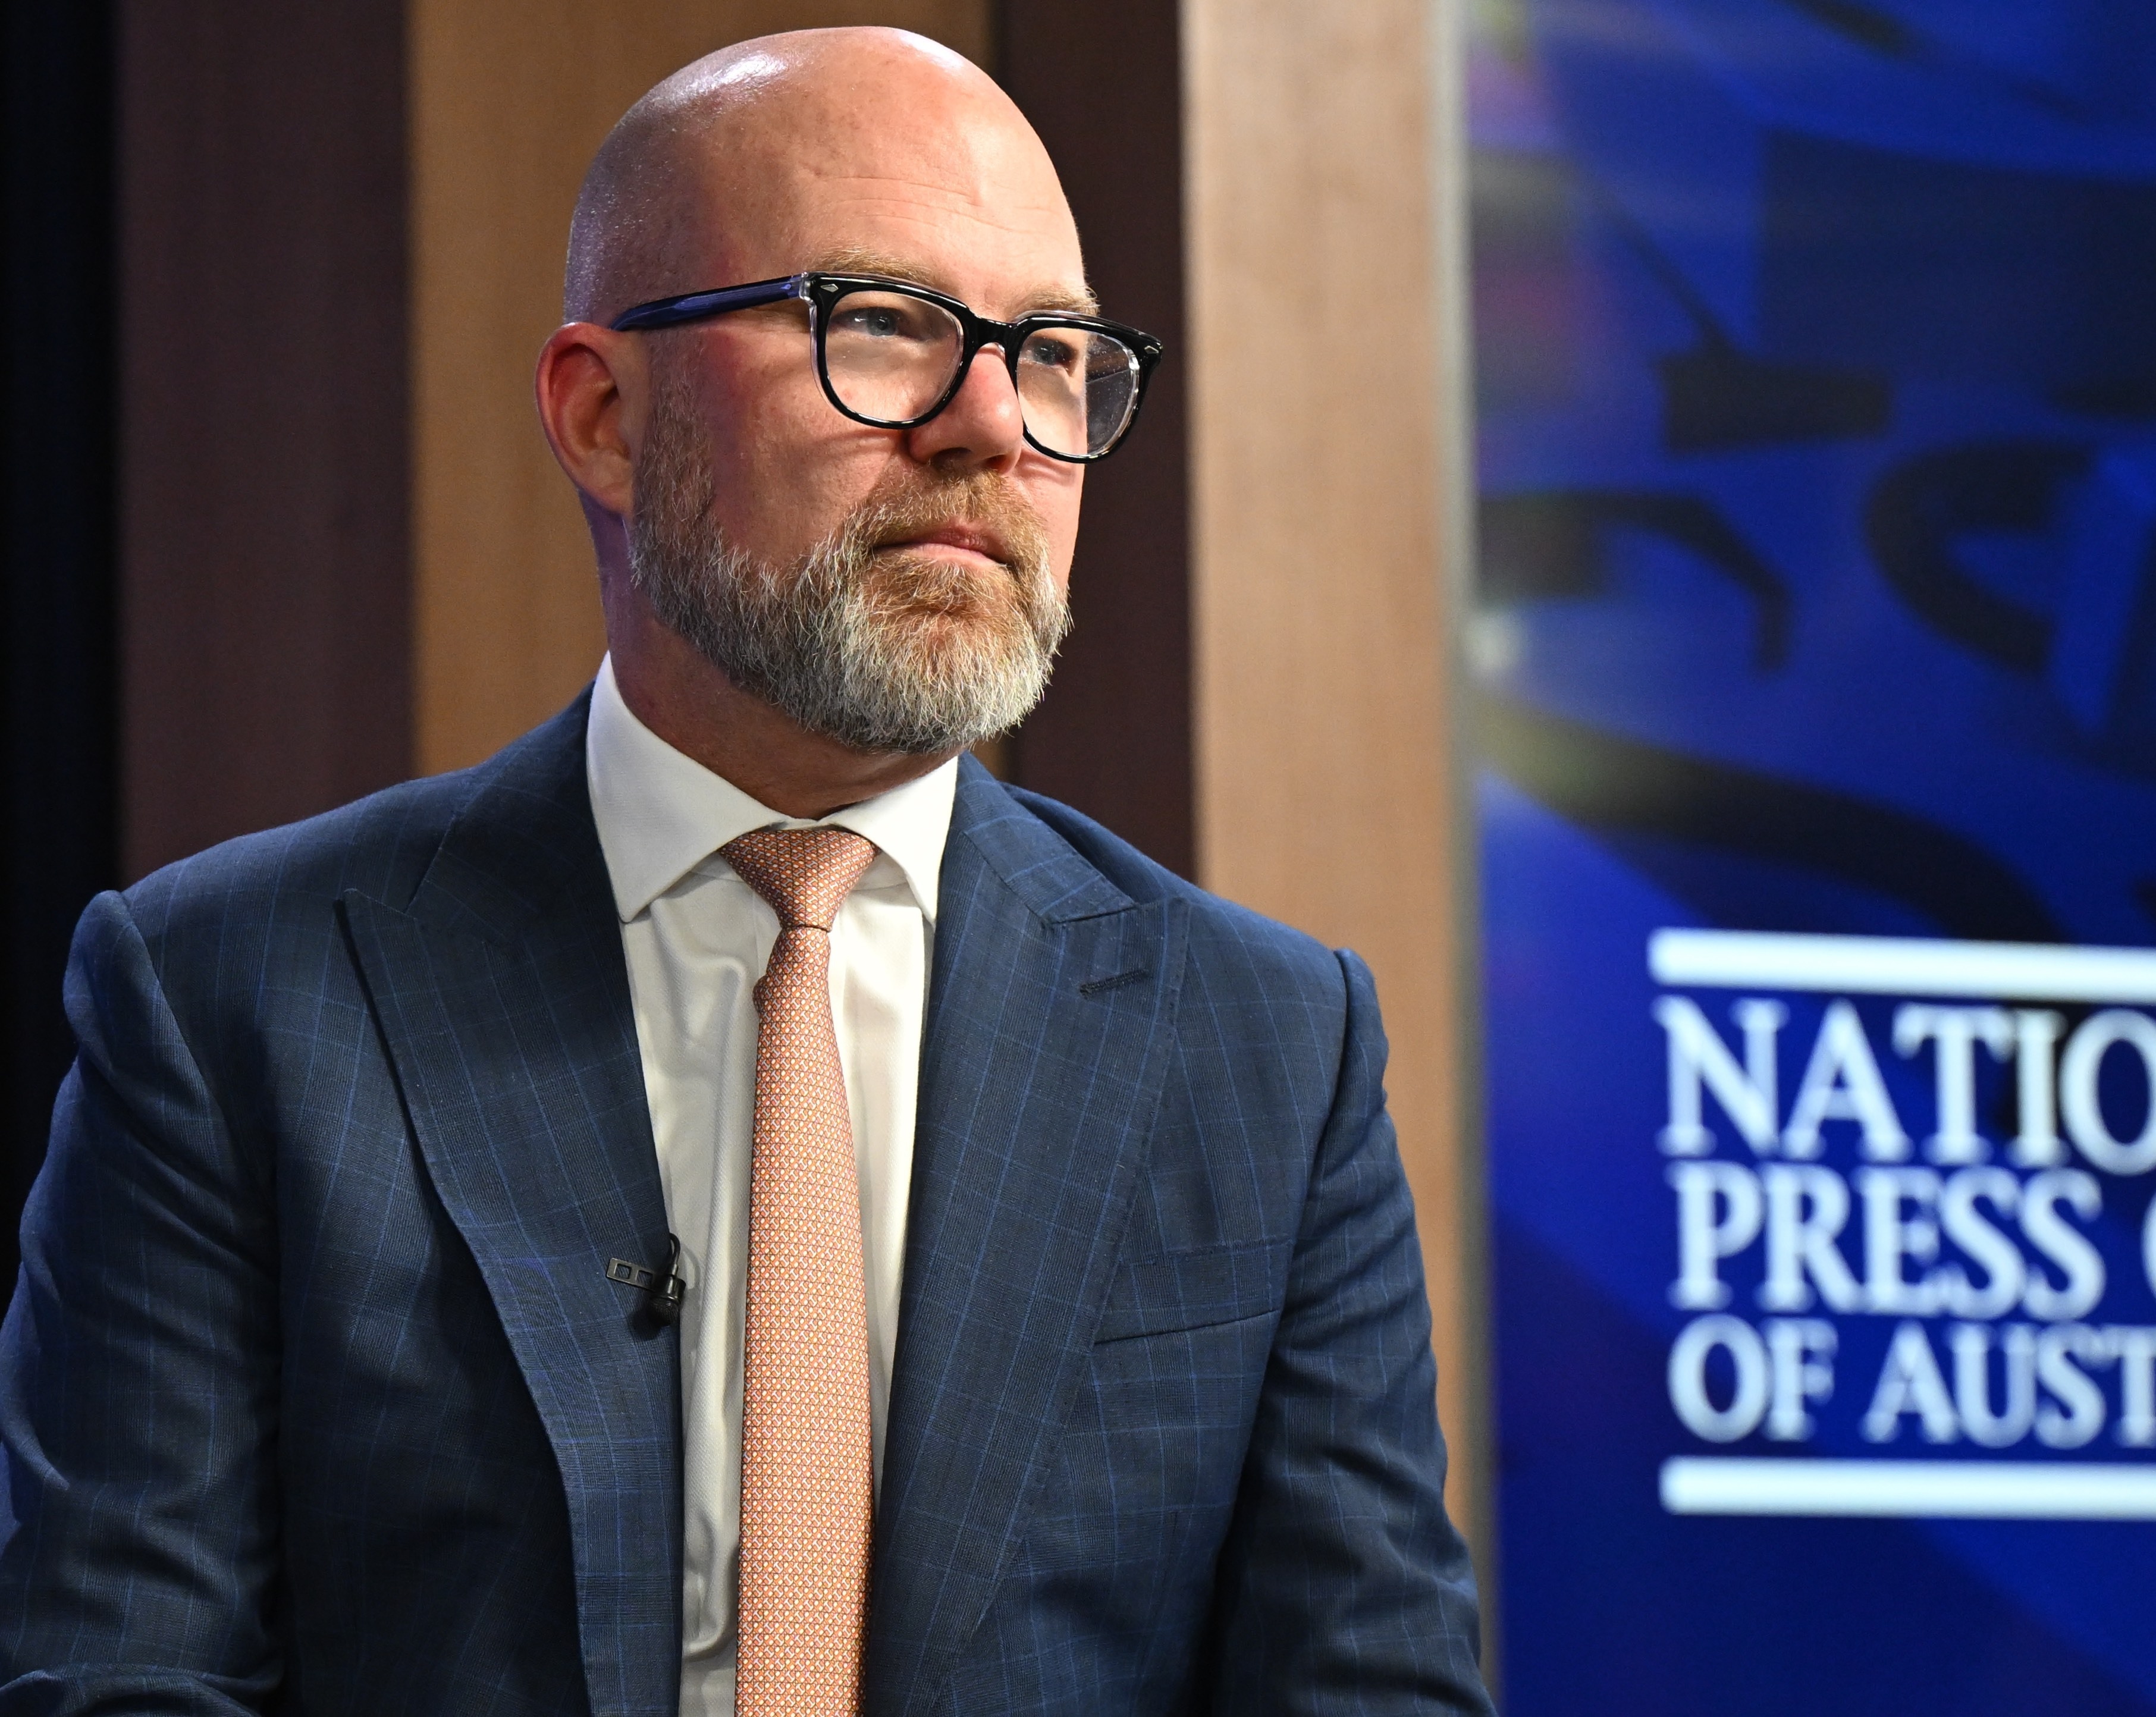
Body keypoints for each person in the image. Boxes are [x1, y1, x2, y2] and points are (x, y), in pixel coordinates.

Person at [0, 28, 1489, 1716]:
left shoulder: (1267, 1049)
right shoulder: (229, 999)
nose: (992, 427)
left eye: (1055, 354)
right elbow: (119, 1674)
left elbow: (1368, 1688)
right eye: (882, 327)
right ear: (603, 416)